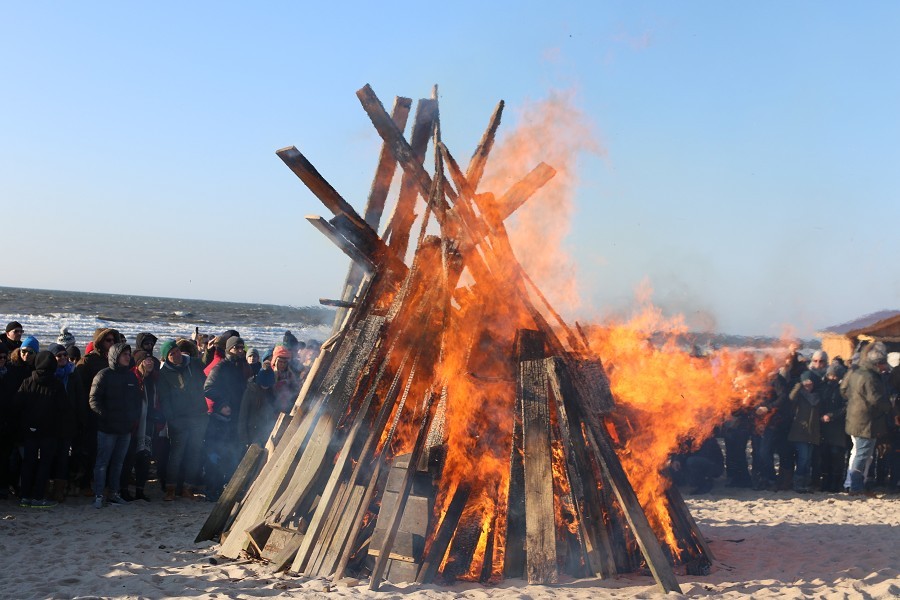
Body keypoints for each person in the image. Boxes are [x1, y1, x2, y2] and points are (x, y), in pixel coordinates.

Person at [89, 342, 141, 508]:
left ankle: (114, 494)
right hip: (107, 428)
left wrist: (133, 418)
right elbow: (93, 400)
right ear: (115, 356)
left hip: (125, 428)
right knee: (102, 463)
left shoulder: (131, 376)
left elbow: (137, 401)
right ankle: (98, 495)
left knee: (119, 463)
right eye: (124, 354)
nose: (128, 357)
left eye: (128, 354)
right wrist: (106, 416)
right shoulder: (103, 375)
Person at [14, 350, 67, 507]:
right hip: (49, 431)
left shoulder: (27, 381)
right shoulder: (56, 384)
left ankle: (25, 496)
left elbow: (17, 404)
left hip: (30, 430)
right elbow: (63, 408)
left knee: (28, 463)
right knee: (44, 463)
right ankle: (37, 497)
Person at [157, 340, 208, 501]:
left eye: (177, 351)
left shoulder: (192, 363)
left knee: (194, 453)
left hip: (198, 416)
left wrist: (210, 348)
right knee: (176, 455)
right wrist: (171, 419)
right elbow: (164, 399)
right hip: (179, 420)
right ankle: (170, 488)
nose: (177, 355)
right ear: (166, 358)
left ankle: (187, 488)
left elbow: (207, 363)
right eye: (172, 354)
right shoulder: (164, 373)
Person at [841, 343, 894, 495]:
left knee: (859, 453)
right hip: (866, 422)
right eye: (883, 364)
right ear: (877, 364)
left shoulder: (857, 372)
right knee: (862, 454)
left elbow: (844, 390)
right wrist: (890, 404)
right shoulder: (870, 377)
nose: (885, 367)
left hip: (856, 418)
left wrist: (856, 402)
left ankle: (855, 485)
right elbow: (876, 399)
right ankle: (856, 487)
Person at [73, 328, 120, 495]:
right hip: (92, 412)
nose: (111, 343)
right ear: (100, 341)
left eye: (113, 340)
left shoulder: (116, 360)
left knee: (109, 451)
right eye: (108, 340)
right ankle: (84, 484)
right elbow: (79, 390)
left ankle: (105, 484)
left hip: (112, 413)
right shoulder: (87, 362)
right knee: (90, 450)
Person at [203, 336, 249, 500]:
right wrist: (223, 404)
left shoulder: (239, 367)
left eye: (241, 348)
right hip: (221, 419)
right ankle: (211, 490)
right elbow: (208, 388)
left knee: (231, 453)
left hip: (236, 417)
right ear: (229, 349)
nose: (240, 351)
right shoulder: (221, 367)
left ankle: (226, 488)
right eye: (236, 348)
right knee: (217, 452)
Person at [120, 349, 160, 501]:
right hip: (133, 424)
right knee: (128, 459)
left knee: (144, 457)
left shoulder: (154, 379)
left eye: (151, 361)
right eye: (147, 360)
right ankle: (123, 490)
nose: (150, 363)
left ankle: (140, 491)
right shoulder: (132, 377)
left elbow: (158, 401)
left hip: (148, 424)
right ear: (139, 363)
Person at [48, 343, 81, 503]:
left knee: (63, 455)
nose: (62, 358)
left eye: (64, 356)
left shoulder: (73, 373)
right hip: (51, 422)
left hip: (68, 421)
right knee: (49, 454)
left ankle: (59, 490)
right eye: (59, 356)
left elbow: (80, 397)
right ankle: (46, 486)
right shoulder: (49, 374)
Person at [787, 371, 822, 493]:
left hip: (813, 432)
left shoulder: (818, 395)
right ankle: (798, 483)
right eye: (806, 384)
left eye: (810, 384)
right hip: (799, 431)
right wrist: (799, 385)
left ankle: (805, 483)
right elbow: (790, 398)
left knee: (808, 460)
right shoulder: (799, 395)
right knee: (803, 457)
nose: (808, 386)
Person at [819, 363, 849, 492]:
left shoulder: (844, 389)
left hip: (838, 427)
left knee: (837, 456)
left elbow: (846, 406)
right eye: (830, 375)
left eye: (834, 375)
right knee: (825, 457)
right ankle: (825, 483)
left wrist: (832, 415)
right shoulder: (823, 387)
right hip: (824, 427)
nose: (832, 378)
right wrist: (821, 415)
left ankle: (836, 484)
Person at [238, 366, 277, 449]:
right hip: (252, 432)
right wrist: (244, 438)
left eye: (267, 384)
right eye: (263, 384)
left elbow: (274, 411)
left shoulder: (271, 393)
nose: (265, 386)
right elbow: (243, 415)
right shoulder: (251, 391)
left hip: (266, 431)